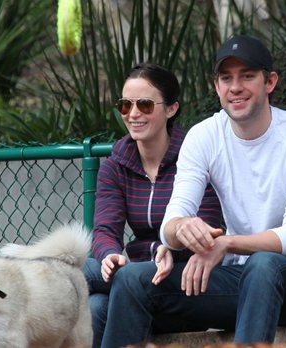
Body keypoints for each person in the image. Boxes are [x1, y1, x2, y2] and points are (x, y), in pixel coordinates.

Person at [99, 35, 286, 347]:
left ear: (269, 82)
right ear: (216, 86)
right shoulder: (204, 137)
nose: (235, 87)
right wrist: (183, 230)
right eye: (226, 78)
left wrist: (226, 244)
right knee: (134, 280)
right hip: (242, 283)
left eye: (247, 76)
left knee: (264, 263)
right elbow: (171, 222)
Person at [83, 63, 223, 348]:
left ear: (171, 109)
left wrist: (171, 248)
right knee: (93, 300)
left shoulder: (194, 157)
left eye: (145, 105)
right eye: (125, 105)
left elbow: (208, 228)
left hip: (179, 279)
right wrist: (110, 254)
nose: (133, 114)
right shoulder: (115, 165)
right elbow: (105, 228)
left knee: (84, 282)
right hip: (130, 271)